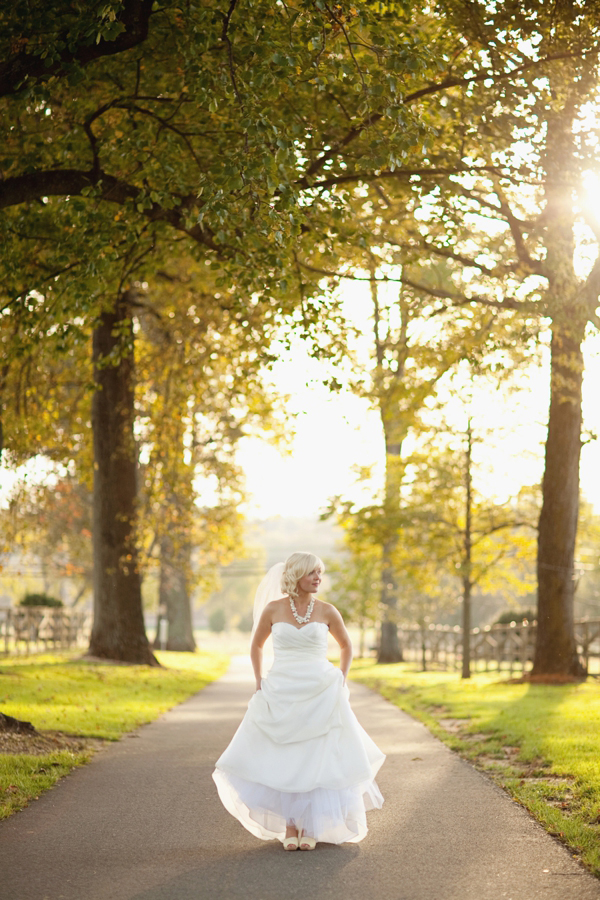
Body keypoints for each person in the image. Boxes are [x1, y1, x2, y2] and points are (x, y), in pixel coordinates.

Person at [212, 551, 385, 851]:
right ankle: (290, 826)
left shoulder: (328, 611)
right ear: (296, 577)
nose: (318, 578)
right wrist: (258, 682)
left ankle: (310, 826)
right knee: (288, 755)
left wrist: (341, 678)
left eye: (320, 572)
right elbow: (256, 645)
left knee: (315, 755)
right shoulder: (273, 610)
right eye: (312, 573)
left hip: (320, 689)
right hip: (283, 687)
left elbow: (346, 645)